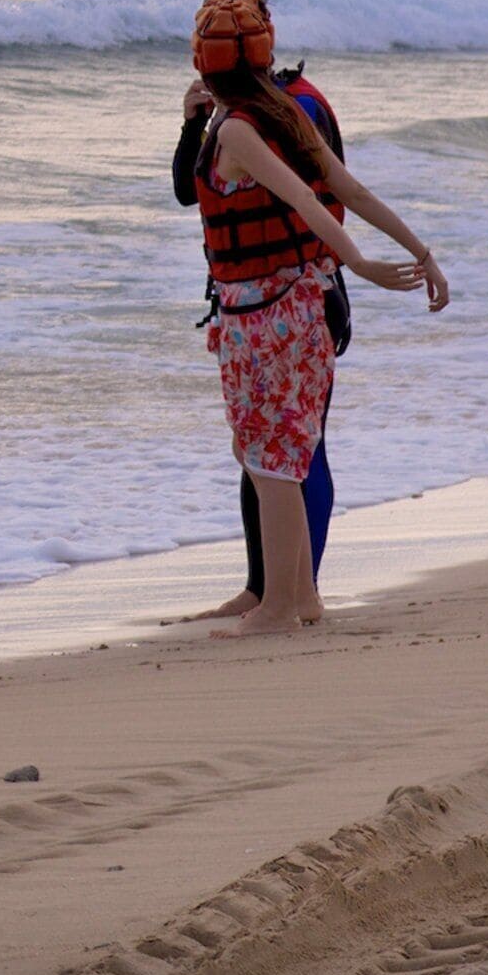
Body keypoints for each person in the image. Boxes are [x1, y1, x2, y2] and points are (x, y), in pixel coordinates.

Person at [183, 0, 448, 638]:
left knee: (270, 461)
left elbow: (305, 197)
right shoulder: (286, 111)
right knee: (285, 455)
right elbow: (346, 189)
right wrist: (421, 253)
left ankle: (273, 609)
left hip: (265, 315)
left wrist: (361, 264)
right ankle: (301, 598)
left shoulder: (240, 129)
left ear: (202, 63)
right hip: (306, 308)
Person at [173, 48, 350, 620]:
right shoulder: (237, 117)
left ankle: (301, 595)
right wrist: (192, 125)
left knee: (297, 451)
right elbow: (188, 190)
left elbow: (322, 197)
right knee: (261, 452)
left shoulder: (287, 114)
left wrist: (371, 265)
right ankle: (265, 589)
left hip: (304, 298)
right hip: (256, 307)